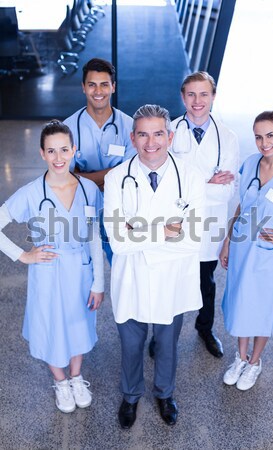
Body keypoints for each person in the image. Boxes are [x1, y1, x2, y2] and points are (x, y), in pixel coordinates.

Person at [104, 104, 205, 428]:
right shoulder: (117, 178)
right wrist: (163, 232)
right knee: (131, 345)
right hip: (130, 279)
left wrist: (139, 236)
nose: (151, 142)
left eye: (158, 133)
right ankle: (131, 396)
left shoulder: (190, 177)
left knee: (167, 344)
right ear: (133, 138)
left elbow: (193, 239)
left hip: (172, 281)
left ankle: (164, 393)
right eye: (143, 134)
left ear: (170, 136)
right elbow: (117, 241)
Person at [0, 121, 104, 412]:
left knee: (79, 323)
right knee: (50, 325)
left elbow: (94, 236)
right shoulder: (32, 193)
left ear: (74, 151)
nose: (59, 158)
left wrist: (99, 283)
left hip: (81, 271)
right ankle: (60, 381)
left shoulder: (88, 189)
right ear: (41, 154)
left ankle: (76, 376)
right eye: (51, 151)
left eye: (64, 150)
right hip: (47, 271)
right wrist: (23, 256)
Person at [148, 71, 239, 359]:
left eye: (204, 94)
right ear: (182, 97)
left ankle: (205, 328)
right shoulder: (168, 132)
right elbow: (165, 186)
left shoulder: (228, 137)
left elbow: (226, 192)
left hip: (209, 225)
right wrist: (208, 183)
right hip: (174, 225)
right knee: (167, 283)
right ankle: (161, 334)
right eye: (191, 94)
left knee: (206, 283)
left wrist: (191, 185)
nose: (197, 101)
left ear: (213, 96)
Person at [220, 111, 273, 390]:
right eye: (258, 137)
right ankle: (240, 358)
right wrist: (229, 240)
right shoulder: (251, 163)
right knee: (241, 303)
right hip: (242, 246)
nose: (264, 143)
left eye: (270, 135)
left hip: (266, 253)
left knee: (262, 308)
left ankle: (254, 362)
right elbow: (242, 204)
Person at [64, 58, 136, 264]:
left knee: (121, 265)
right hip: (81, 208)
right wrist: (112, 172)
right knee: (83, 269)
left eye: (104, 84)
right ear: (83, 88)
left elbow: (128, 175)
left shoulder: (128, 125)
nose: (98, 91)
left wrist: (82, 176)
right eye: (92, 84)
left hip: (118, 209)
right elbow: (64, 178)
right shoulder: (69, 128)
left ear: (113, 87)